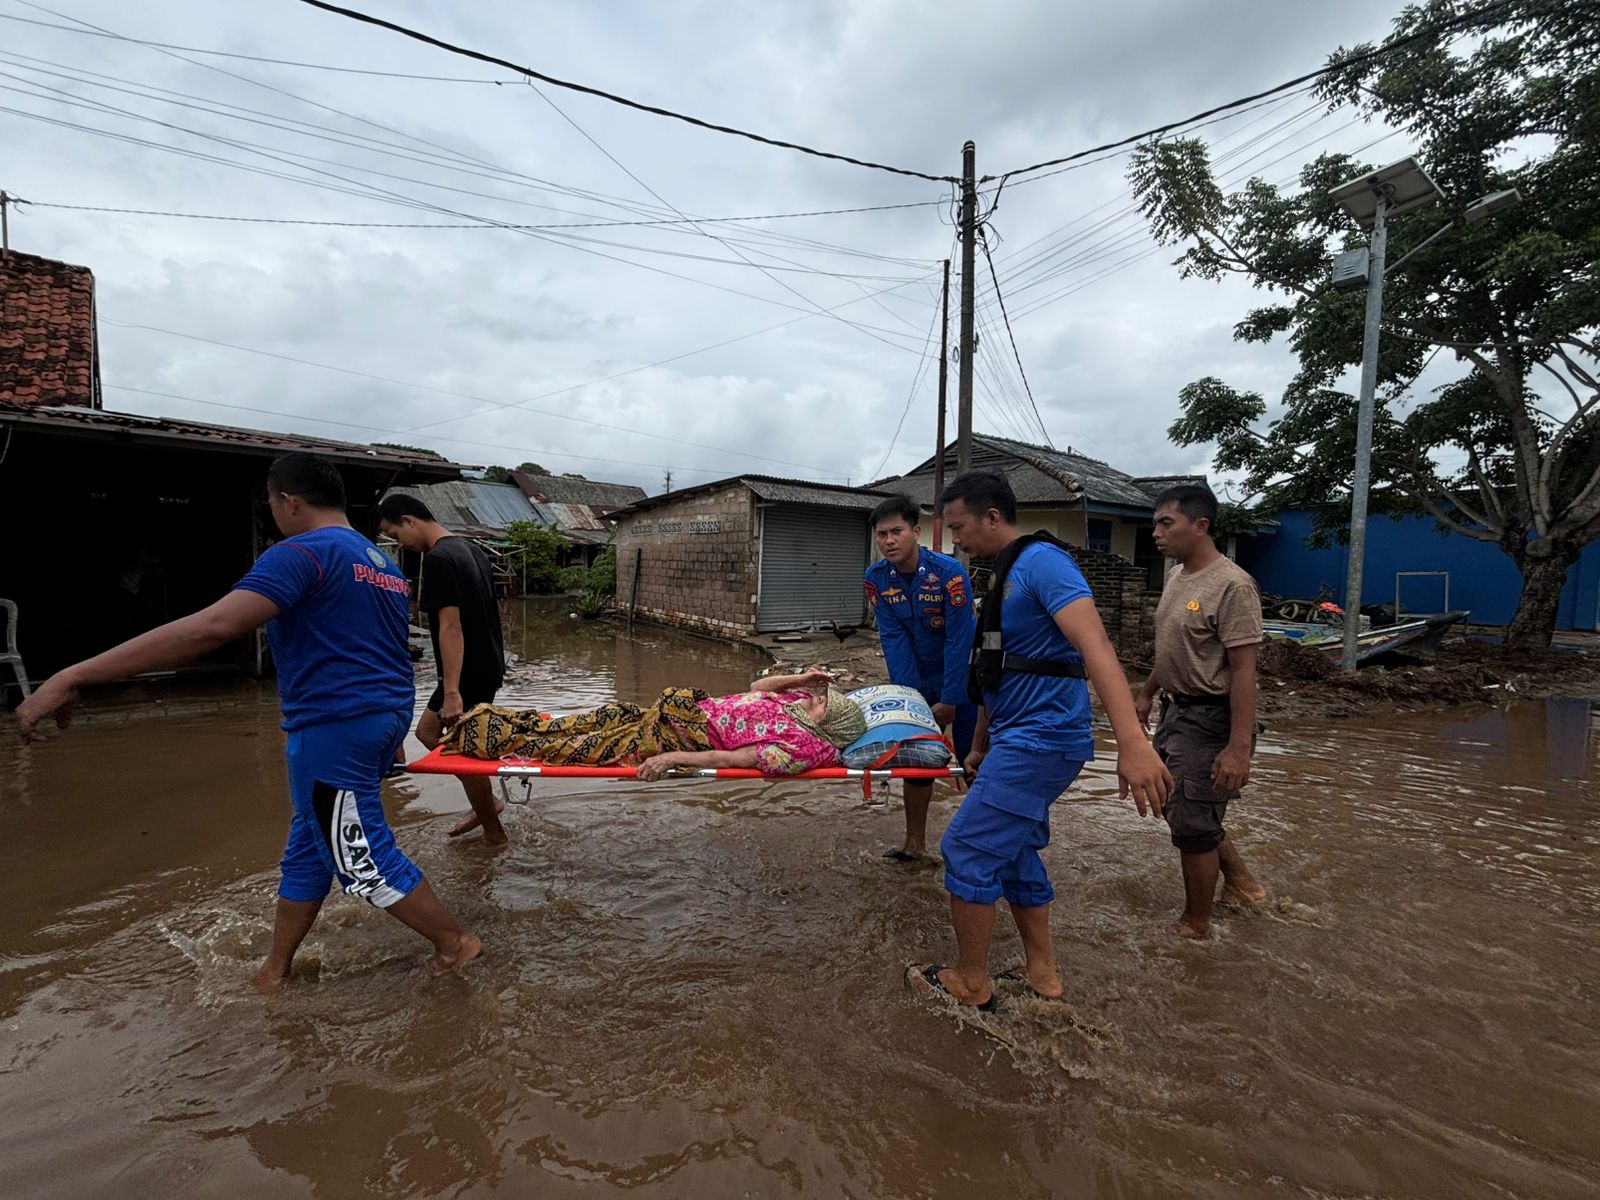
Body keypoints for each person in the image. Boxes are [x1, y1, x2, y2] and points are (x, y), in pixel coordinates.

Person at [16, 453, 480, 988]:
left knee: (362, 858)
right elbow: (389, 654)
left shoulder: (301, 554)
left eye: (271, 502)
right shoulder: (383, 567)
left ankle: (455, 945)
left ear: (288, 500)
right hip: (374, 720)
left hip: (332, 729)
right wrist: (389, 737)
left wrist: (74, 675)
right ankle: (274, 971)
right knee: (310, 845)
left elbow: (210, 629)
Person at [907, 470, 1171, 1010]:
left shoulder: (1043, 564)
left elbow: (1096, 647)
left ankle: (972, 983)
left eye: (958, 526)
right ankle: (1043, 976)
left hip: (1044, 738)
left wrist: (1132, 743)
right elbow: (996, 673)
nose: (955, 539)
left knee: (965, 850)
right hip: (1013, 737)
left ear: (993, 517)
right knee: (1014, 848)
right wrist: (979, 745)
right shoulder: (1001, 577)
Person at [1135, 485, 1268, 938]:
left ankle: (1196, 924)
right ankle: (1243, 884)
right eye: (1155, 523)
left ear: (1201, 525)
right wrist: (1148, 690)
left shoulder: (1232, 585)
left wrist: (1238, 747)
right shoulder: (1177, 577)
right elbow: (1176, 648)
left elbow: (1244, 671)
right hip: (1176, 710)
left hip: (1212, 717)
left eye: (1165, 523)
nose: (1155, 532)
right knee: (1183, 806)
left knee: (1192, 822)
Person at [440, 668, 866, 780]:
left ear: (829, 726)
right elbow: (756, 684)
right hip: (665, 713)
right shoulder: (799, 700)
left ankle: (481, 733)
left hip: (673, 735)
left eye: (825, 704)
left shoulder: (805, 750)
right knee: (593, 717)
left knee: (574, 746)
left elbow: (732, 758)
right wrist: (801, 679)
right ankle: (493, 721)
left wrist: (671, 758)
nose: (819, 699)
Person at [377, 493, 508, 844]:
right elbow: (495, 613)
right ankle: (487, 805)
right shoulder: (470, 548)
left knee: (440, 738)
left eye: (394, 535)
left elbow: (450, 626)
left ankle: (493, 828)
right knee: (436, 737)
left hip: (466, 673)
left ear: (410, 520)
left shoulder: (437, 558)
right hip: (486, 665)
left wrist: (452, 692)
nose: (398, 543)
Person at [863, 495, 979, 863]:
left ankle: (983, 847)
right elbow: (893, 639)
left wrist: (951, 697)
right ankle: (915, 845)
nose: (889, 541)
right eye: (881, 535)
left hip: (962, 681)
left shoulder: (949, 575)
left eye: (896, 531)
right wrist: (910, 701)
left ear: (916, 532)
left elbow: (961, 640)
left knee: (977, 759)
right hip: (917, 680)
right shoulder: (876, 579)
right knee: (917, 762)